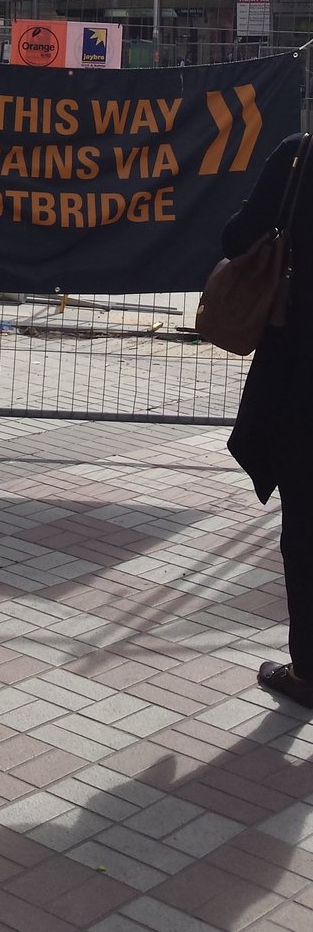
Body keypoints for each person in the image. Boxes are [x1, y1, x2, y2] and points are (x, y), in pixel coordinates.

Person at [222, 132, 313, 708]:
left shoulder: (300, 156)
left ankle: (308, 671)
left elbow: (237, 239)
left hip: (301, 374)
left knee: (305, 526)